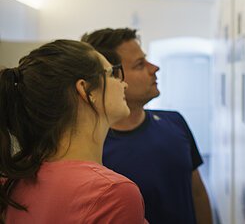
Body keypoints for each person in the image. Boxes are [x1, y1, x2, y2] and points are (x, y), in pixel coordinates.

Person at [0, 40, 147, 223]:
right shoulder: (112, 193)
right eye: (111, 74)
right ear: (86, 90)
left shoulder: (16, 182)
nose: (123, 84)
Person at [82, 28, 212, 224]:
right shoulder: (93, 148)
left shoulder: (175, 122)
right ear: (111, 78)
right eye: (140, 64)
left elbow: (197, 193)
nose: (155, 68)